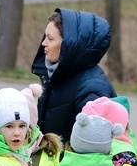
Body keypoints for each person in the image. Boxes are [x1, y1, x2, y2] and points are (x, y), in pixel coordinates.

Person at [32, 8, 117, 143]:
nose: (44, 43)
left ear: (69, 45)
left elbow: (93, 146)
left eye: (50, 38)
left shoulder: (92, 88)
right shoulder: (57, 75)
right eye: (45, 37)